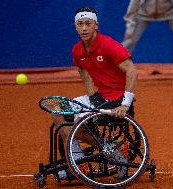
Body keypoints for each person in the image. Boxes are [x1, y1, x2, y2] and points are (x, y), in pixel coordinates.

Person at [55, 6, 138, 180]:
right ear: (75, 26)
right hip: (99, 98)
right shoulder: (77, 50)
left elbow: (131, 70)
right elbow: (83, 71)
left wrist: (125, 103)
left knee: (76, 125)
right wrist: (92, 95)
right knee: (58, 111)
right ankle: (78, 163)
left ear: (96, 25)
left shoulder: (108, 45)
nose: (84, 28)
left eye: (88, 24)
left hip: (117, 98)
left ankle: (113, 154)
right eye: (80, 24)